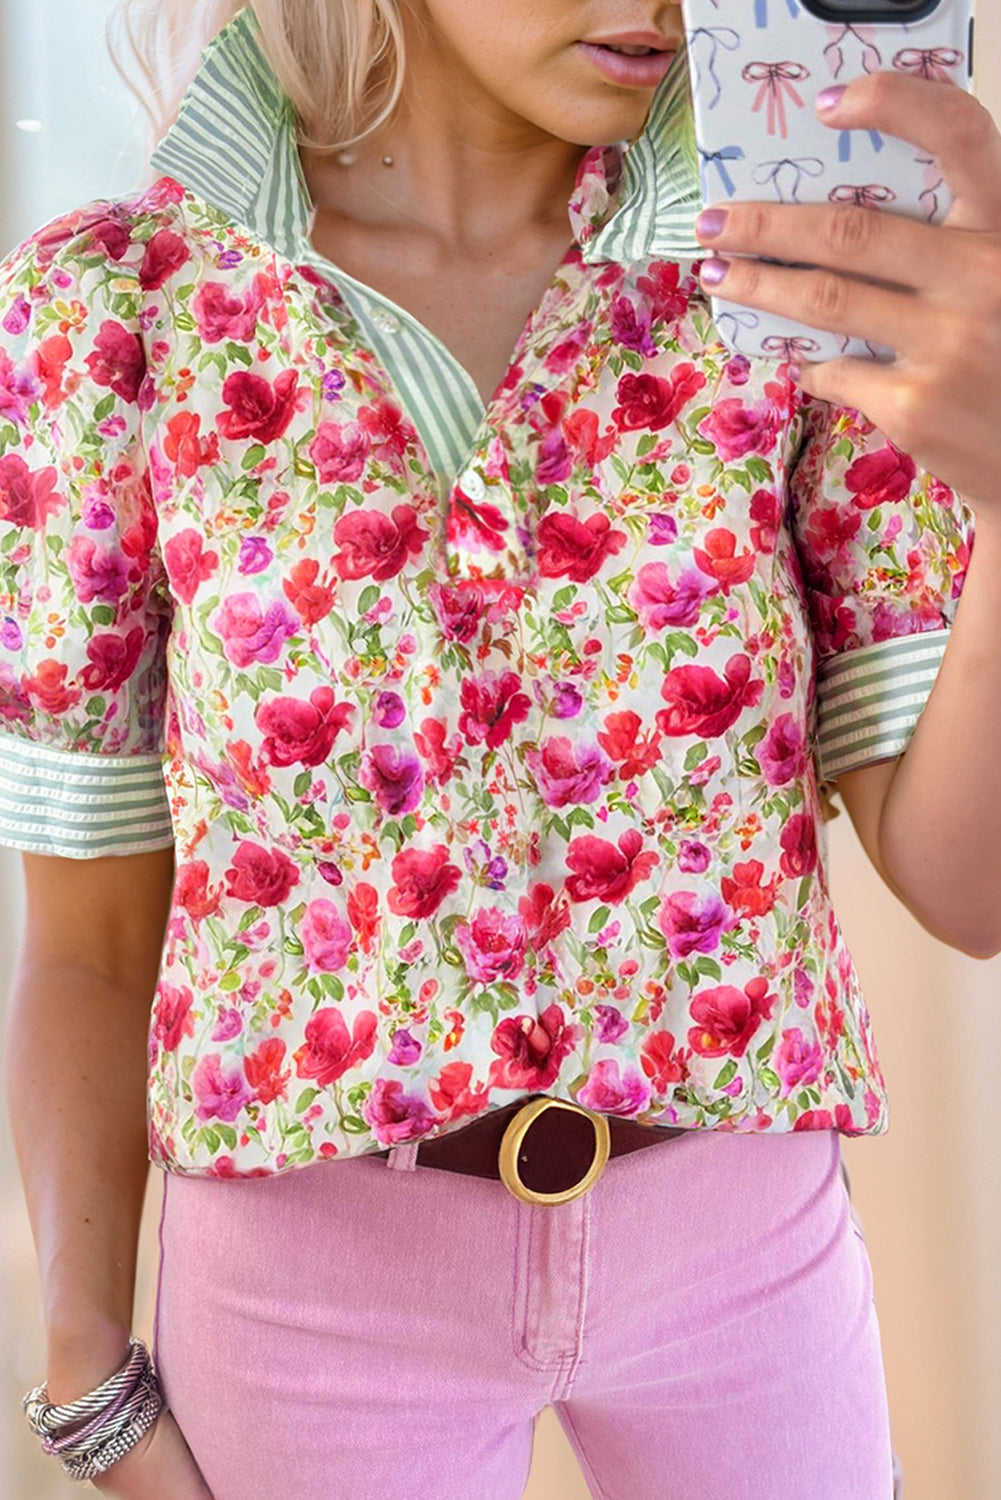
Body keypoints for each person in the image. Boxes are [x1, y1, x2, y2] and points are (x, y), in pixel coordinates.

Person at [3, 1, 999, 1496]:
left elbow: (967, 893)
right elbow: (86, 940)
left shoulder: (788, 280)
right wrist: (85, 1360)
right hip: (308, 1292)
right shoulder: (115, 307)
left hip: (745, 1256)